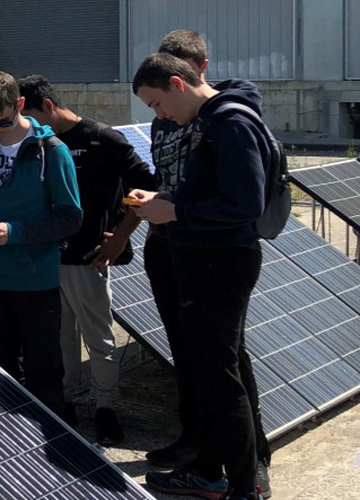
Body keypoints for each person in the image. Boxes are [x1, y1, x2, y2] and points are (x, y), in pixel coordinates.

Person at [130, 52, 270, 500]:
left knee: (220, 376)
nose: (159, 115)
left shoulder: (229, 123)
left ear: (177, 83)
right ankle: (209, 471)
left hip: (222, 263)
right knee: (206, 374)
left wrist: (175, 211)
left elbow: (246, 204)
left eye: (156, 104)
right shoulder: (206, 121)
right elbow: (207, 191)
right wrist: (161, 197)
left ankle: (244, 487)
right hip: (200, 258)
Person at [18, 74, 155, 444]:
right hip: (49, 259)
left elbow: (147, 186)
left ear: (47, 107)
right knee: (60, 337)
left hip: (89, 260)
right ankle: (66, 402)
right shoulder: (37, 143)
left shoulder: (102, 139)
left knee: (99, 339)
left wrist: (121, 235)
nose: (26, 125)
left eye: (29, 115)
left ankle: (105, 407)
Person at [0, 70, 82, 416]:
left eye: (3, 122)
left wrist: (15, 232)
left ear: (20, 105)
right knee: (0, 373)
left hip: (35, 281)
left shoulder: (52, 152)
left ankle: (52, 451)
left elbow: (70, 217)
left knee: (43, 373)